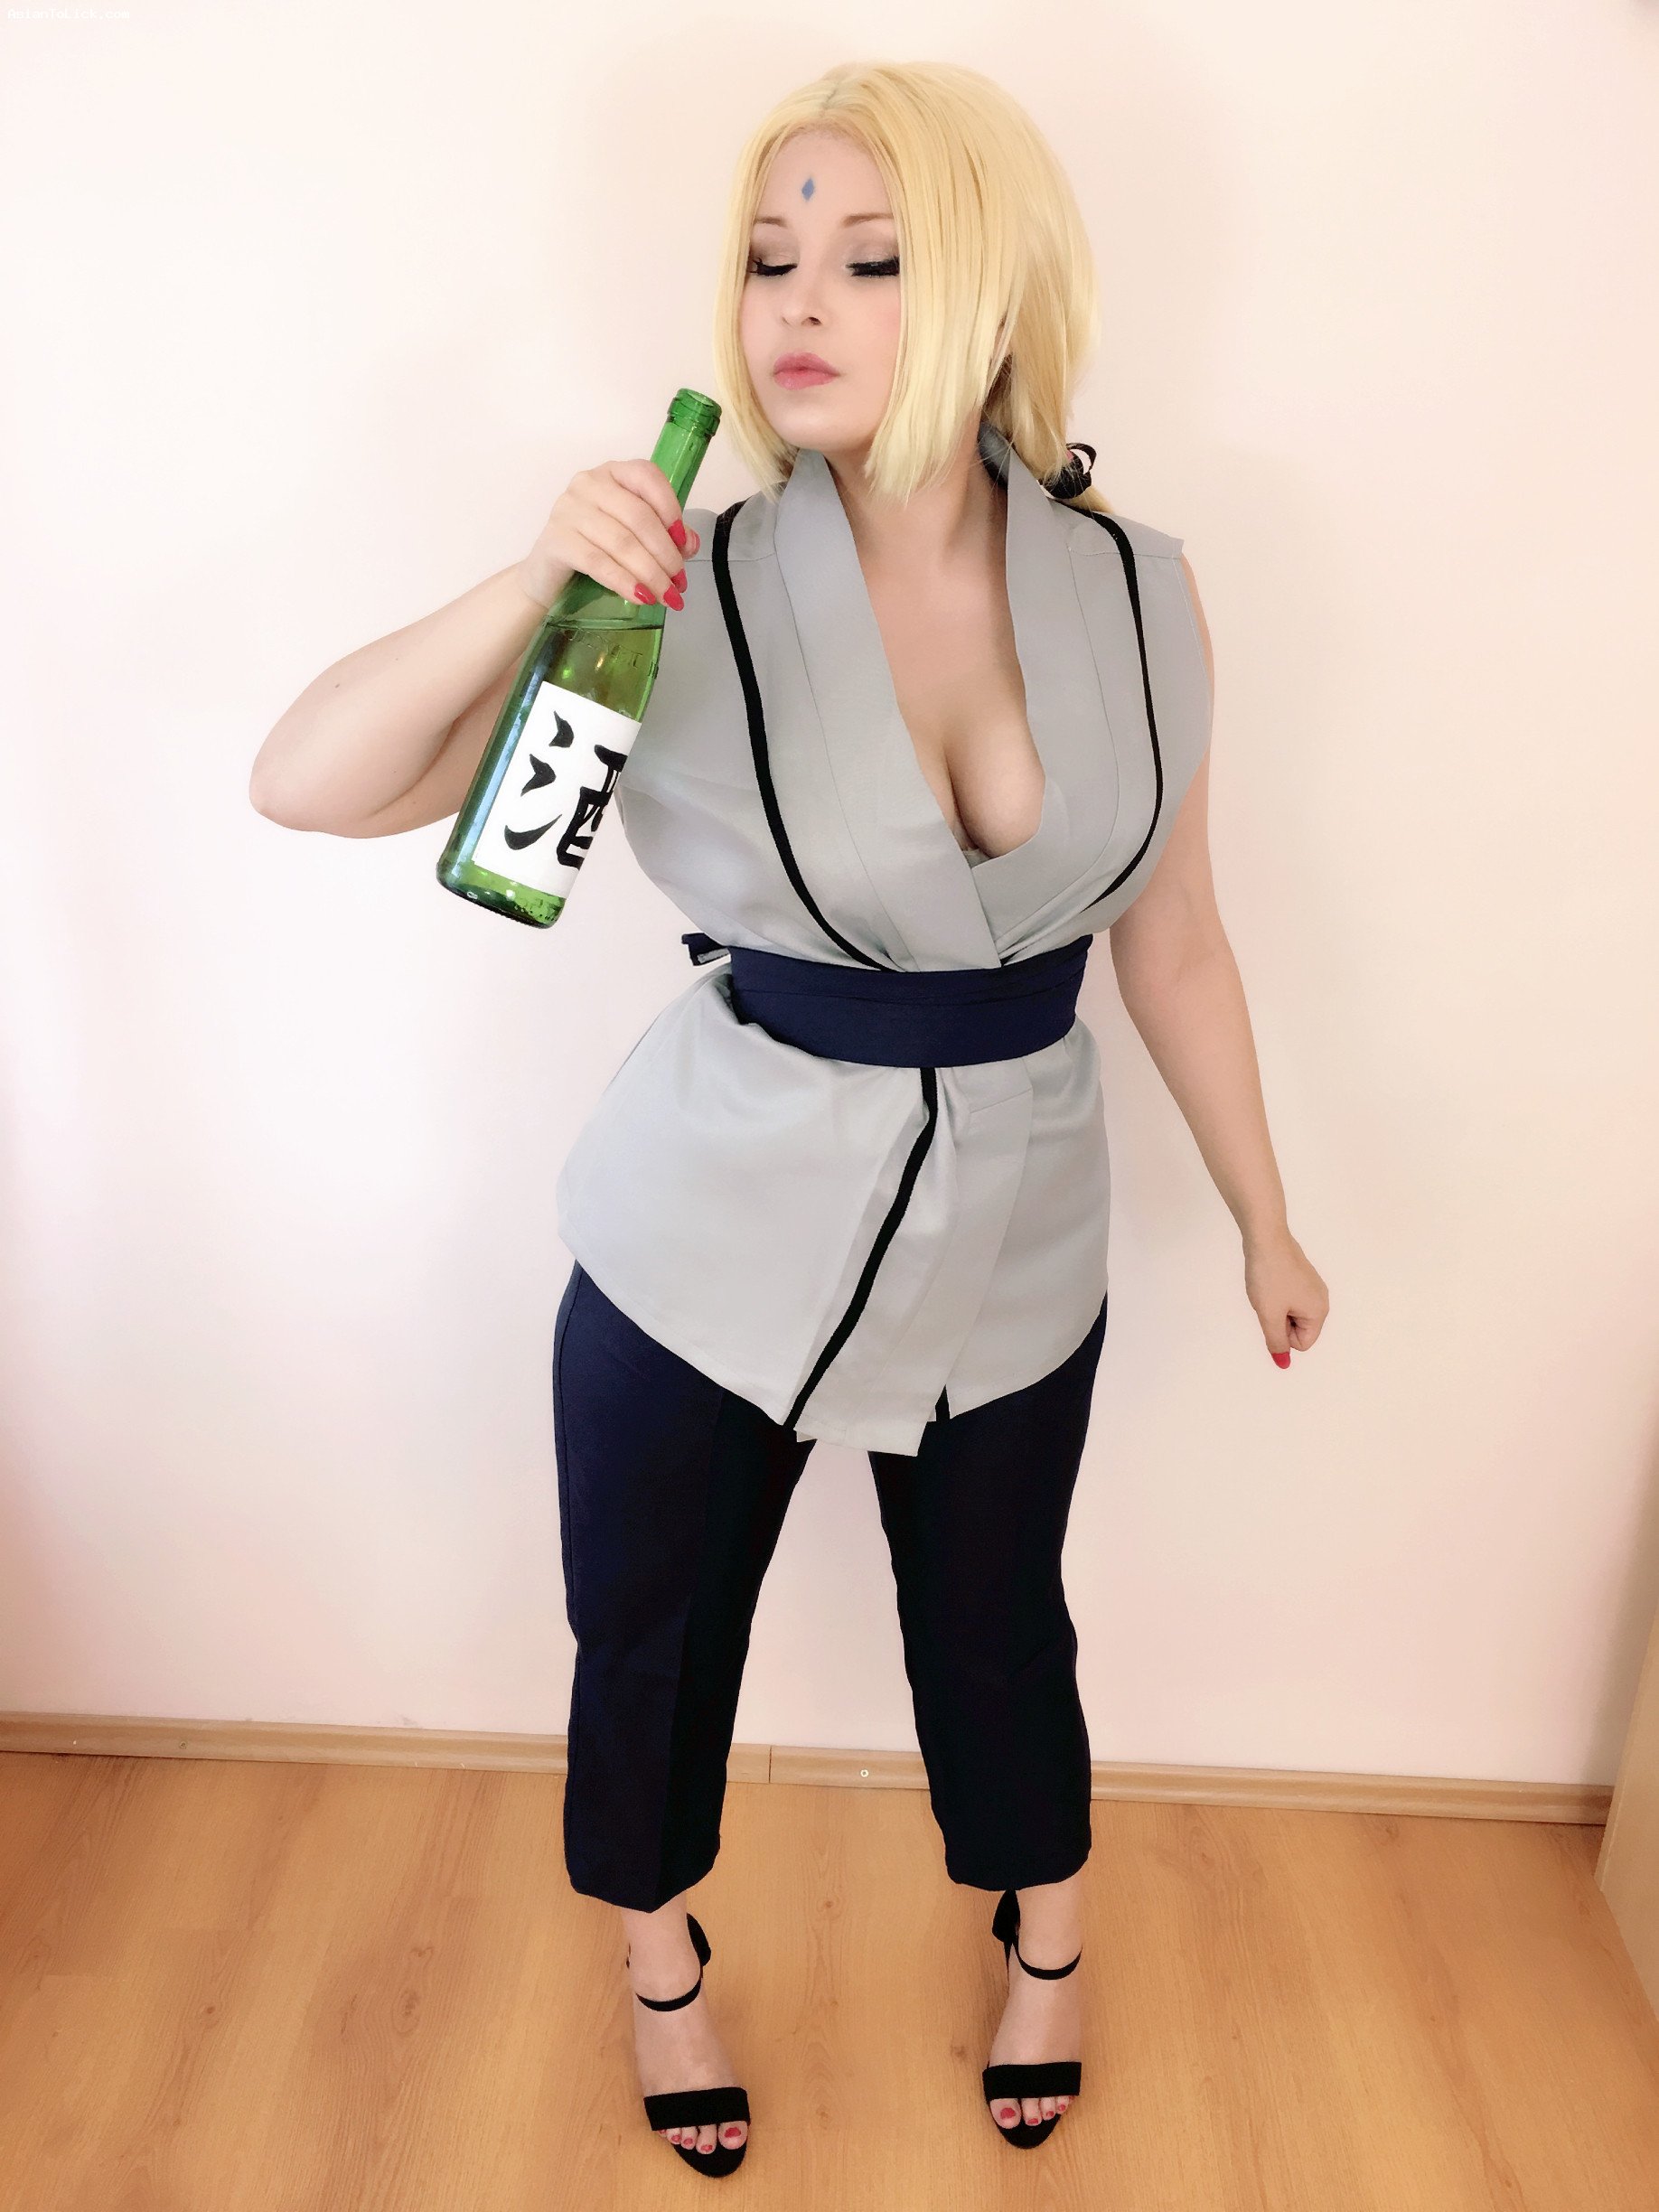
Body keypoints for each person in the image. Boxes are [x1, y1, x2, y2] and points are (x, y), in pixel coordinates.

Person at [251, 57, 1328, 2180]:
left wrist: (1266, 1219)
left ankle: (1048, 1941)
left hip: (1019, 1222)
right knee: (651, 1630)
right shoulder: (676, 587)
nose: (799, 303)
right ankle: (661, 1969)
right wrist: (534, 577)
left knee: (1000, 1628)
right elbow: (314, 784)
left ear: (994, 284)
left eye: (872, 256)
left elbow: (1180, 940)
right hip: (706, 1228)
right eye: (767, 258)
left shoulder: (1141, 588)